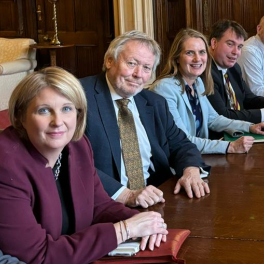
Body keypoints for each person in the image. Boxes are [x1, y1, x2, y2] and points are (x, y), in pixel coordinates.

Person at [0, 68, 168, 264]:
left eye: (67, 108)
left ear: (78, 114)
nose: (58, 122)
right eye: (44, 110)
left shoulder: (77, 146)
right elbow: (37, 258)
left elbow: (98, 205)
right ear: (20, 117)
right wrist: (124, 230)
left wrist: (145, 222)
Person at [81, 31, 209, 207]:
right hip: (105, 204)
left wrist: (191, 171)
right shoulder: (79, 98)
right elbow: (74, 161)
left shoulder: (154, 102)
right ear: (109, 61)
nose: (138, 74)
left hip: (156, 198)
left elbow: (181, 144)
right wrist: (126, 195)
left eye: (147, 68)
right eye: (132, 63)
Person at [150, 29, 264, 155]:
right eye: (190, 53)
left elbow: (213, 120)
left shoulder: (197, 83)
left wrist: (250, 127)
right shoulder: (164, 89)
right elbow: (181, 140)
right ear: (177, 58)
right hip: (178, 165)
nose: (198, 59)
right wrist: (230, 147)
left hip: (198, 157)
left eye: (202, 52)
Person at [207, 20, 264, 127]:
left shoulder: (234, 68)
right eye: (230, 44)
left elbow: (249, 98)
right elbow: (223, 115)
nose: (236, 52)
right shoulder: (205, 73)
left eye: (239, 47)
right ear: (214, 43)